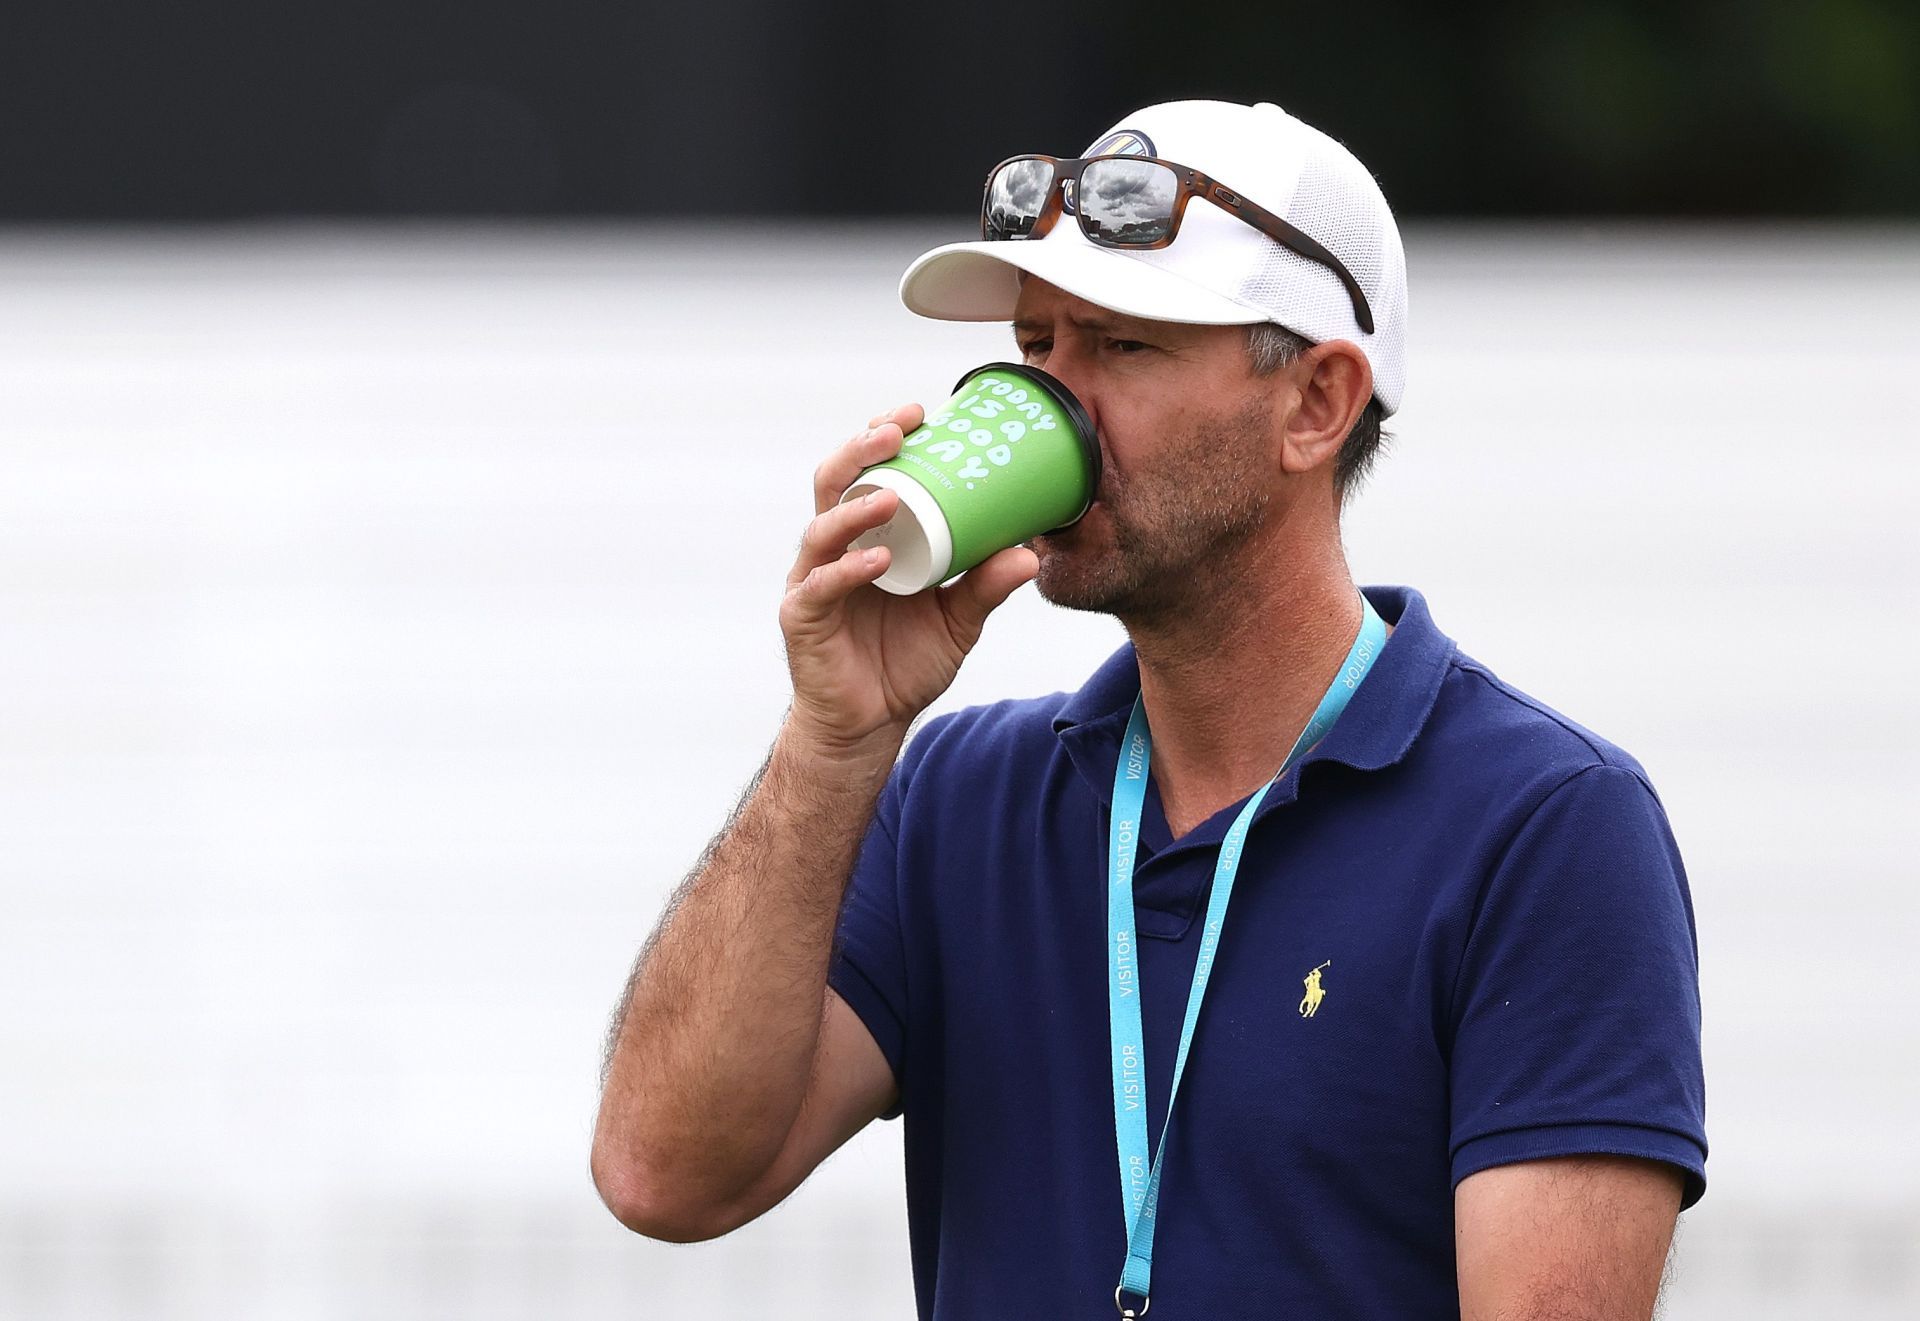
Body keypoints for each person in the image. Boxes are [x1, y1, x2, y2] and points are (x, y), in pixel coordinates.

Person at [592, 99, 1707, 1320]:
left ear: (1316, 405)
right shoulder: (958, 796)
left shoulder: (1544, 825)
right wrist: (834, 736)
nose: (1052, 403)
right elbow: (664, 1175)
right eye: (1036, 347)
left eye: (1120, 347)